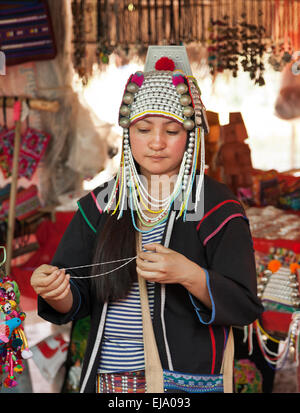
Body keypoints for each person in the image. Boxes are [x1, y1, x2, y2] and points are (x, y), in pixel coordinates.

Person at [30, 46, 263, 394]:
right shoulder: (103, 203)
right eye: (143, 129)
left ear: (191, 137)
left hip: (185, 382)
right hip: (111, 380)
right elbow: (75, 294)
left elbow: (244, 305)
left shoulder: (216, 206)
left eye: (171, 131)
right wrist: (56, 290)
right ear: (127, 134)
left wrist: (189, 275)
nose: (156, 143)